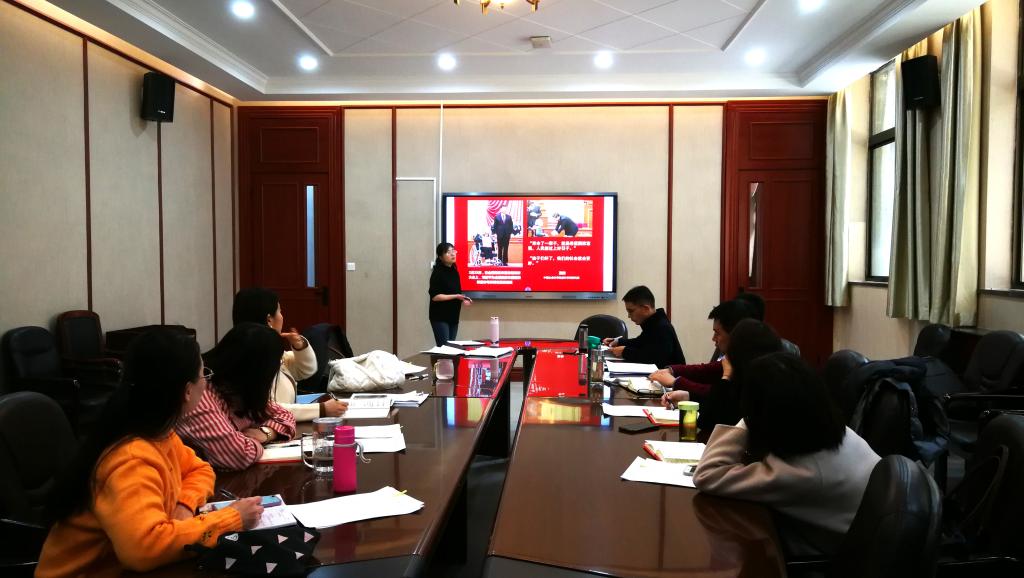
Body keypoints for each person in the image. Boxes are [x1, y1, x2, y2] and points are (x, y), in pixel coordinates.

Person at [36, 329, 263, 577]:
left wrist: (184, 504)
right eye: (203, 375)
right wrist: (233, 518)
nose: (206, 382)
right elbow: (144, 550)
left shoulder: (159, 432)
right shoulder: (132, 458)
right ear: (187, 391)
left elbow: (200, 469)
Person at [694, 352, 881, 555]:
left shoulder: (799, 473)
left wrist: (748, 417)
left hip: (829, 557)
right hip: (860, 544)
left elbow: (706, 474)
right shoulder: (838, 432)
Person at [176, 323, 298, 471]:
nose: (205, 377)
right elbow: (240, 455)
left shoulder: (239, 389)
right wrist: (247, 440)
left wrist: (266, 433)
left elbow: (285, 415)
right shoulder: (200, 395)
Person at [232, 287, 346, 421]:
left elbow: (307, 370)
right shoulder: (253, 360)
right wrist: (322, 409)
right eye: (279, 311)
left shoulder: (262, 350)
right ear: (269, 320)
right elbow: (267, 410)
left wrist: (300, 347)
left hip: (283, 425)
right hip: (269, 428)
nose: (282, 316)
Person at [650, 299, 757, 404]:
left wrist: (675, 382)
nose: (713, 338)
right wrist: (671, 371)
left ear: (736, 334)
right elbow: (706, 371)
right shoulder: (736, 357)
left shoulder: (754, 367)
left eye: (717, 333)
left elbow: (718, 396)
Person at [601, 285, 685, 368]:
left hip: (671, 376)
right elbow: (640, 342)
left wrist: (625, 351)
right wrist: (618, 342)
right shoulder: (654, 323)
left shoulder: (662, 327)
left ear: (646, 309)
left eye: (631, 311)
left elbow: (654, 359)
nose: (629, 316)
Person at [429, 242, 472, 346]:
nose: (453, 254)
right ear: (440, 257)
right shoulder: (437, 272)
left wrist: (463, 299)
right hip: (440, 316)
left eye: (453, 251)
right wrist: (456, 296)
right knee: (445, 348)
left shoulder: (454, 271)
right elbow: (435, 297)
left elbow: (456, 292)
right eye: (448, 252)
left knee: (451, 349)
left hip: (453, 316)